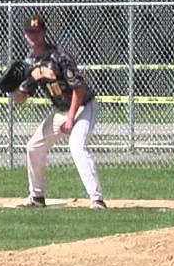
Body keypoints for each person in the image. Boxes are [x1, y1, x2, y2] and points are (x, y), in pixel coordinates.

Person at [7, 14, 106, 209]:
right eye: (30, 32)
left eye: (37, 32)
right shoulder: (29, 63)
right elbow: (22, 97)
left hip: (84, 106)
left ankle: (97, 199)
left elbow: (80, 89)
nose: (33, 36)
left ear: (44, 33)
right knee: (34, 147)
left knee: (76, 145)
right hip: (62, 110)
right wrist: (12, 90)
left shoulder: (59, 57)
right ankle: (37, 197)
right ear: (25, 35)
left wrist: (70, 118)